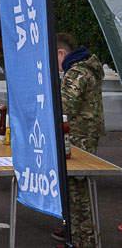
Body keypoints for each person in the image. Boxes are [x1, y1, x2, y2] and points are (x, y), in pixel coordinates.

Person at [52, 33, 105, 248]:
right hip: (81, 136)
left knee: (77, 194)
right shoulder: (83, 68)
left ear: (61, 53)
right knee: (72, 190)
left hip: (78, 140)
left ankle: (82, 242)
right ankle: (72, 232)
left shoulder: (77, 73)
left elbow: (63, 106)